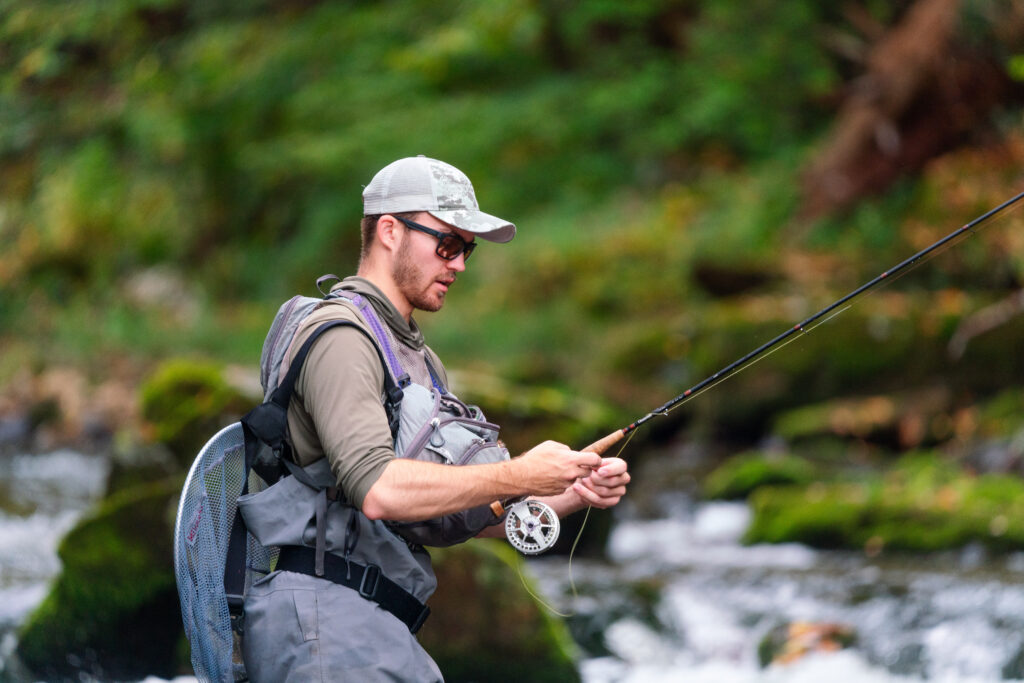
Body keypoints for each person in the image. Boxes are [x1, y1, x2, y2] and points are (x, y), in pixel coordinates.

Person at [238, 155, 631, 681]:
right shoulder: (343, 339)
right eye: (446, 244)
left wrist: (564, 493)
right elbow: (379, 489)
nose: (460, 264)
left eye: (465, 249)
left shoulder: (413, 355)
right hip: (325, 630)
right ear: (390, 231)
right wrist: (520, 473)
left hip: (371, 625)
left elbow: (447, 509)